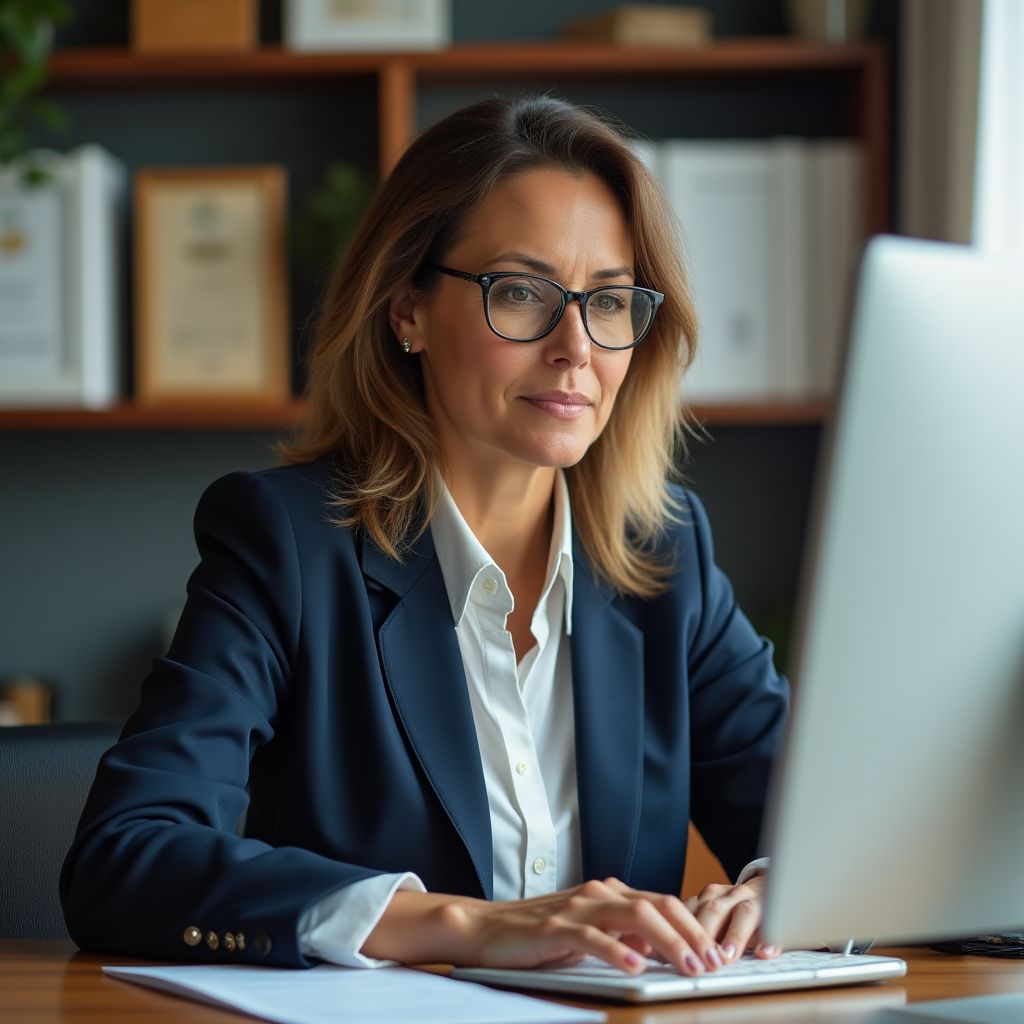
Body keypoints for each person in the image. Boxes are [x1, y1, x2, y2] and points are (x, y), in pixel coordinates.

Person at [60, 96, 789, 977]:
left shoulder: (665, 555)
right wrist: (469, 927)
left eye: (609, 301)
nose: (576, 348)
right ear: (406, 308)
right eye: (520, 293)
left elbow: (824, 820)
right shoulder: (287, 544)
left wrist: (782, 885)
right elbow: (126, 857)